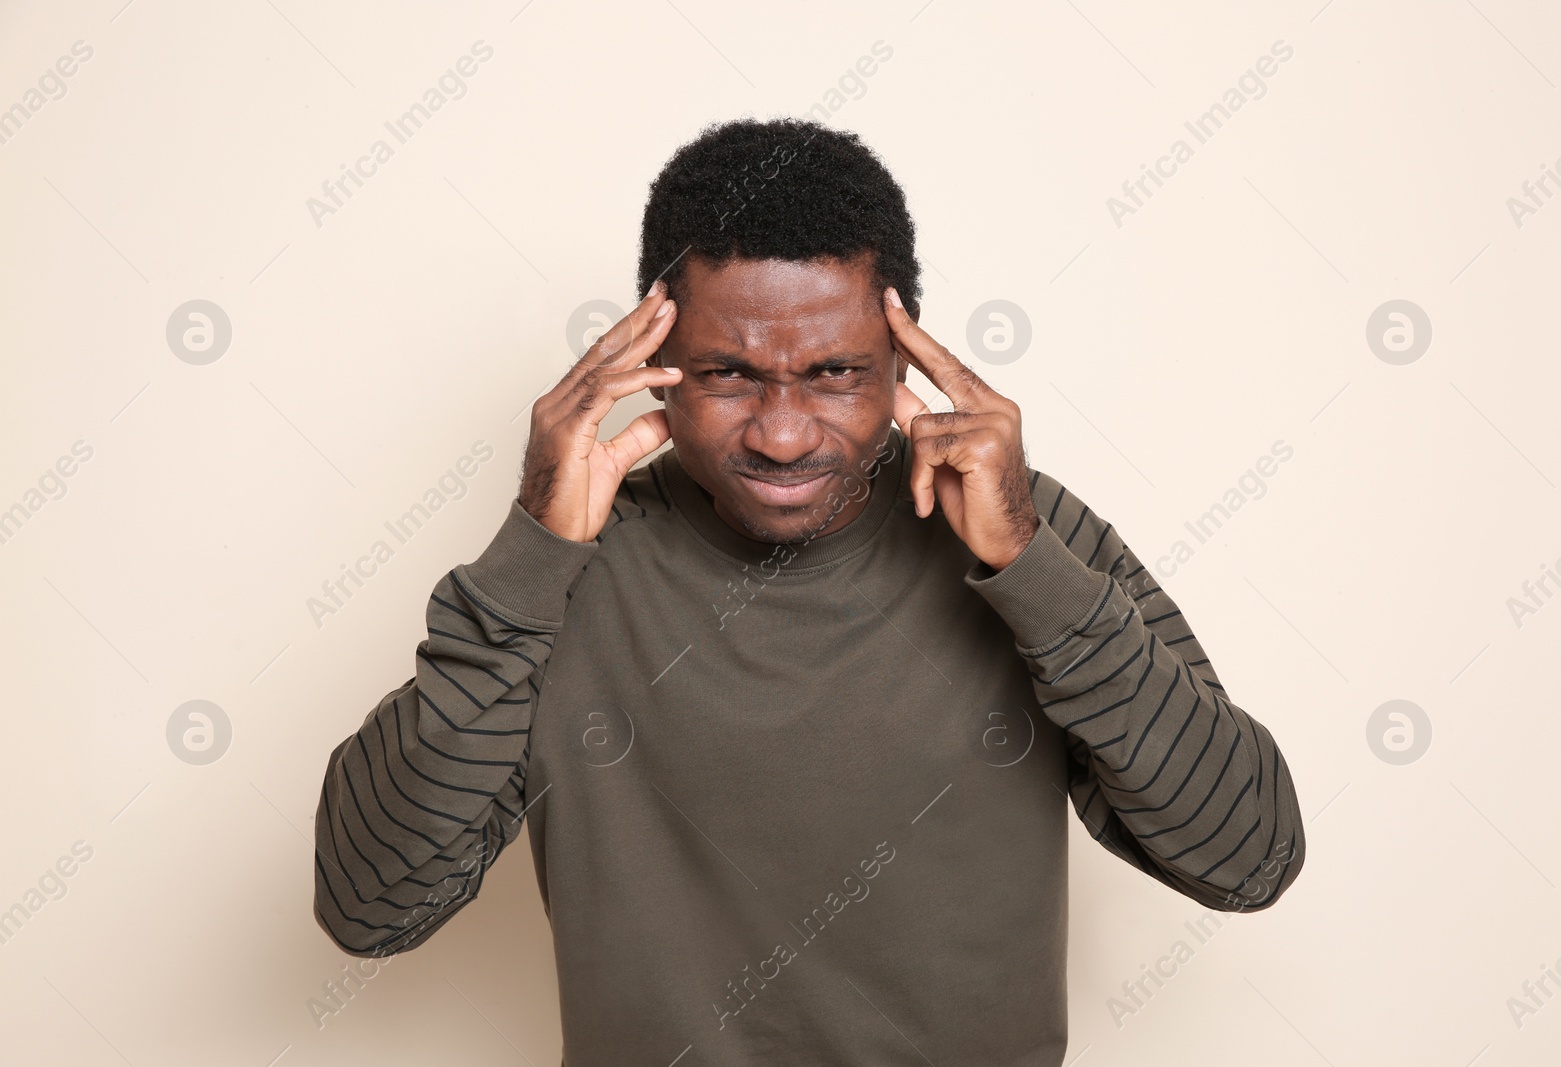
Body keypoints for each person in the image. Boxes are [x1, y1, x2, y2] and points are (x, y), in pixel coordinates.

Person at [311, 117, 1306, 1065]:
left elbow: (1247, 857)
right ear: (651, 365)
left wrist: (1030, 568)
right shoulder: (567, 561)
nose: (780, 435)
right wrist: (532, 549)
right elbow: (368, 906)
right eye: (727, 373)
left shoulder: (1011, 525)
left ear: (904, 358)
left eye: (834, 372)